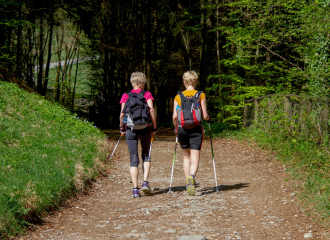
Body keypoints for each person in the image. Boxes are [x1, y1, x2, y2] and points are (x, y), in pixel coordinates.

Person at [172, 70, 211, 196]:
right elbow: (204, 115)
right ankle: (192, 176)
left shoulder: (178, 97)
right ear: (196, 82)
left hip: (181, 128)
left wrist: (175, 128)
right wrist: (209, 118)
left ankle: (188, 182)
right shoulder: (201, 95)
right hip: (196, 128)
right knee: (195, 157)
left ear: (184, 82)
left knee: (186, 157)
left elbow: (174, 116)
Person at [119, 72, 157, 198]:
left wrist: (122, 127)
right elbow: (151, 110)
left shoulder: (126, 95)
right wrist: (154, 126)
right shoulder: (147, 94)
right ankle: (145, 183)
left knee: (133, 158)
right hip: (145, 127)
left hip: (131, 129)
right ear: (142, 83)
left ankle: (135, 189)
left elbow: (122, 114)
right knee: (146, 155)